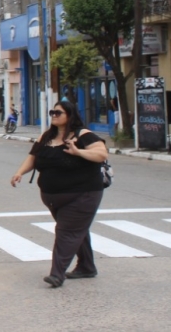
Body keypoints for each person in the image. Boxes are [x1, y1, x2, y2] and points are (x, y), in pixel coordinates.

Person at [10, 100, 108, 288]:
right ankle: (87, 267)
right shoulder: (46, 136)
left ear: (70, 115)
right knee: (76, 230)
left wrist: (78, 152)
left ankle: (57, 274)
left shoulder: (83, 135)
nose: (54, 115)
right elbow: (33, 157)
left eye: (58, 112)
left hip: (83, 194)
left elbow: (101, 154)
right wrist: (20, 172)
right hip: (54, 198)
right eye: (52, 112)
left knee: (67, 232)